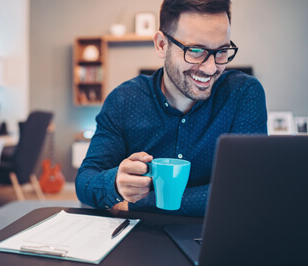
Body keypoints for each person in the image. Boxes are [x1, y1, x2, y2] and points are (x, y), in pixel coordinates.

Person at [75, 0, 267, 216]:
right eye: (196, 50)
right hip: (140, 241)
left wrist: (139, 203)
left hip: (214, 239)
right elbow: (85, 181)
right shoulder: (123, 100)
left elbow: (245, 190)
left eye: (222, 51)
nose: (212, 67)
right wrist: (116, 183)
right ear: (161, 45)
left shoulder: (243, 93)